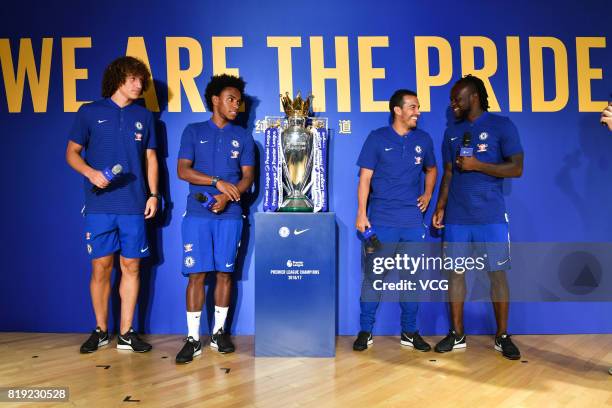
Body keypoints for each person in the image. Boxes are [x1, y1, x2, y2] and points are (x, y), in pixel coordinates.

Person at [66, 56, 159, 353]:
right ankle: (101, 330)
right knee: (101, 268)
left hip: (133, 205)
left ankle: (127, 333)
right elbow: (71, 153)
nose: (139, 84)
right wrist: (91, 173)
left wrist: (154, 194)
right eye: (133, 78)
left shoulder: (144, 117)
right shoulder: (89, 112)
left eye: (141, 80)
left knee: (131, 267)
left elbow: (151, 158)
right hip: (100, 206)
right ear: (118, 78)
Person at [432, 75, 523, 360]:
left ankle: (502, 336)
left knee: (498, 275)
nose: (452, 105)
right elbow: (448, 172)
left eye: (457, 99)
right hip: (458, 216)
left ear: (473, 97)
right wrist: (441, 206)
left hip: (491, 216)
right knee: (455, 275)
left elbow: (516, 168)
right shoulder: (451, 133)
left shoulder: (502, 125)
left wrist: (478, 165)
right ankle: (457, 334)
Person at [175, 74, 255, 364]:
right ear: (215, 100)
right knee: (196, 275)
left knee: (225, 274)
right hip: (197, 214)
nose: (237, 105)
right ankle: (193, 338)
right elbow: (183, 171)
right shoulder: (193, 131)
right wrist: (217, 182)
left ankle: (219, 333)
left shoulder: (244, 137)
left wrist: (228, 197)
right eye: (231, 99)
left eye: (239, 100)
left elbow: (248, 178)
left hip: (231, 214)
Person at [353, 89, 437, 351]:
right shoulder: (377, 138)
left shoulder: (423, 139)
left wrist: (428, 193)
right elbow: (365, 178)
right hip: (381, 221)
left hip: (412, 222)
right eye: (412, 107)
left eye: (418, 107)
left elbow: (432, 169)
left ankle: (409, 332)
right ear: (397, 111)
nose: (418, 112)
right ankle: (365, 331)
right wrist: (361, 213)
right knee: (373, 278)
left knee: (411, 279)